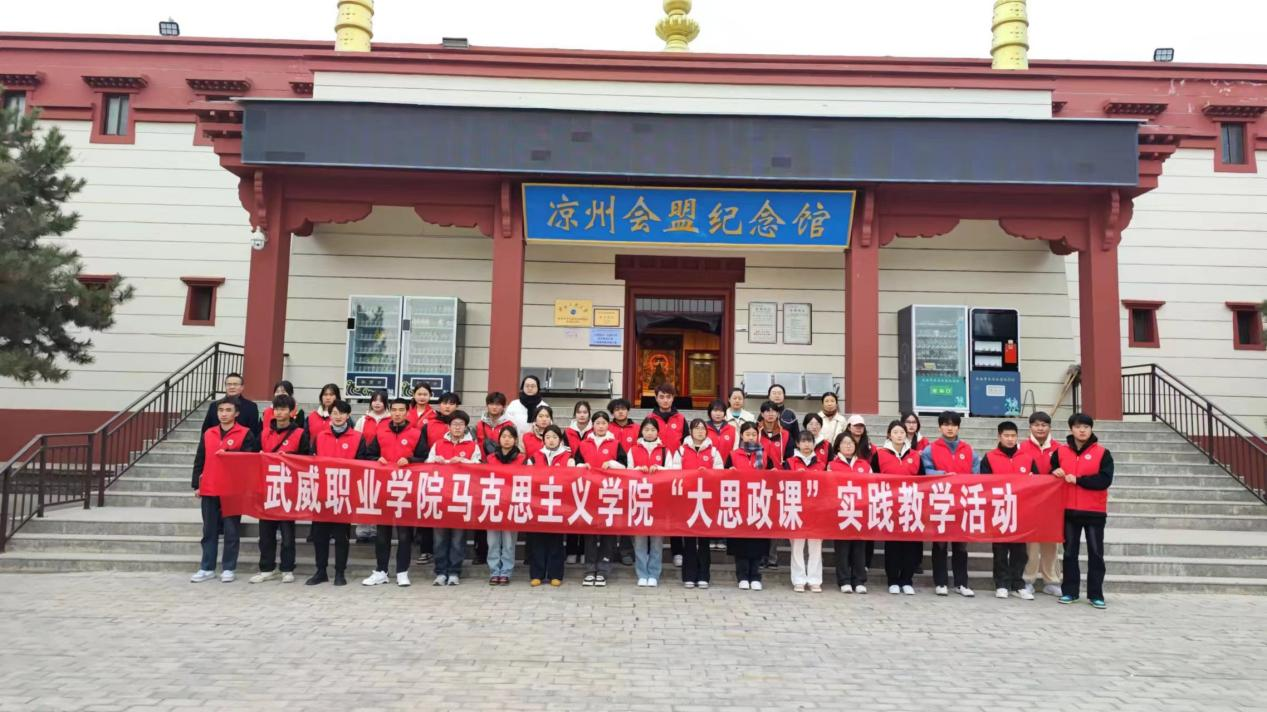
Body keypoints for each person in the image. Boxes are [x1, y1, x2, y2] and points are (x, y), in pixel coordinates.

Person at [360, 397, 430, 587]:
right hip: (384, 488)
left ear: (407, 412)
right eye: (394, 410)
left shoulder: (415, 433)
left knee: (405, 534)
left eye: (401, 410)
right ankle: (381, 571)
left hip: (406, 489)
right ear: (390, 412)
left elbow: (425, 457)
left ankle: (402, 572)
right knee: (382, 533)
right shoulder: (381, 432)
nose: (397, 413)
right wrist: (377, 459)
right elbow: (369, 454)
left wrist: (410, 460)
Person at [190, 397, 260, 583]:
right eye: (221, 410)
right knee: (209, 530)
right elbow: (200, 459)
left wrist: (229, 455)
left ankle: (229, 567)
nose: (224, 414)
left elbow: (249, 460)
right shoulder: (209, 433)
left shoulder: (245, 433)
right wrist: (197, 484)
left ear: (236, 413)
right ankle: (207, 567)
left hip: (232, 489)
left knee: (231, 530)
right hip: (210, 487)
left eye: (228, 410)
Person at [1052, 412, 1114, 610]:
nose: (1082, 430)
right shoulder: (1060, 452)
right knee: (1070, 553)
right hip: (1069, 511)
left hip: (1094, 512)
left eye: (1086, 427)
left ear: (1091, 429)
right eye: (1078, 427)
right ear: (1071, 429)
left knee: (1096, 553)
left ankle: (1096, 594)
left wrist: (1078, 480)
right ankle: (1070, 592)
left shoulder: (1103, 453)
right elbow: (1050, 474)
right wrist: (1054, 471)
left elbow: (1104, 480)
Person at [249, 393, 310, 585]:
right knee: (265, 533)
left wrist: (291, 458)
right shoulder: (264, 433)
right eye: (276, 409)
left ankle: (287, 568)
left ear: (292, 412)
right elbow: (252, 456)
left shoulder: (300, 433)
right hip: (267, 489)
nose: (279, 412)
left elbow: (307, 460)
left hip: (289, 490)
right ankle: (267, 568)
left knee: (287, 534)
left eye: (283, 409)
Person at [922, 410, 979, 598]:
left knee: (961, 545)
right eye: (946, 424)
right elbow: (925, 471)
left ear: (958, 427)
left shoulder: (968, 450)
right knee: (940, 544)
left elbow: (977, 475)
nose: (950, 428)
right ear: (940, 427)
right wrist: (944, 476)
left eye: (953, 424)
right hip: (940, 503)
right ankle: (941, 582)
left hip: (963, 504)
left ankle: (961, 583)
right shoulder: (930, 449)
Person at [307, 400, 364, 586]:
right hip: (322, 492)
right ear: (329, 415)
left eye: (341, 413)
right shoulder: (320, 436)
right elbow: (311, 461)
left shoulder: (358, 437)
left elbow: (362, 464)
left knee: (341, 536)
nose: (338, 417)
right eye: (334, 413)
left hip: (344, 494)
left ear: (348, 415)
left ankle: (340, 572)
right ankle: (320, 571)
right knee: (320, 536)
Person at [980, 420, 1037, 600]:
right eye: (1006, 435)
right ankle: (1001, 584)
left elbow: (1037, 483)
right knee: (1000, 550)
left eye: (1013, 436)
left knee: (1020, 551)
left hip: (1021, 510)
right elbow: (984, 484)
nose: (1010, 439)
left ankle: (1018, 584)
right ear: (999, 436)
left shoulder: (1027, 458)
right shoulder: (989, 458)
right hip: (999, 510)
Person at [427, 409, 480, 587]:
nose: (457, 427)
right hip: (440, 497)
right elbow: (426, 465)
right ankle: (440, 572)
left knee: (458, 538)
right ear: (448, 426)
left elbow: (480, 467)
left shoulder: (472, 446)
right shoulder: (438, 444)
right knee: (439, 538)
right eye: (454, 424)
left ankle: (454, 572)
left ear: (466, 427)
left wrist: (465, 462)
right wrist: (436, 461)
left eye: (461, 424)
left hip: (461, 498)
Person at [872, 420, 922, 596]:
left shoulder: (915, 455)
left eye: (902, 432)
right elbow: (873, 478)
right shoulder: (879, 454)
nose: (899, 435)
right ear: (889, 435)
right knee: (892, 545)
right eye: (895, 432)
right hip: (889, 505)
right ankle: (893, 580)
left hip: (910, 504)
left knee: (910, 545)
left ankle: (907, 580)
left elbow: (923, 479)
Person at [576, 411, 625, 587]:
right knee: (589, 533)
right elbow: (574, 465)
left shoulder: (616, 443)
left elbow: (625, 466)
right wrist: (583, 465)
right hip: (589, 494)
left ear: (608, 425)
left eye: (604, 423)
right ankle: (590, 569)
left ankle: (603, 570)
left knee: (608, 533)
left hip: (609, 494)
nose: (601, 426)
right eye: (597, 423)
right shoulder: (584, 444)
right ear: (593, 425)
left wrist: (611, 463)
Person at [1019, 411, 1062, 596]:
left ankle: (1051, 581)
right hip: (1030, 503)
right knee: (1031, 543)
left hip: (1053, 503)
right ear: (1030, 427)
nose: (1040, 428)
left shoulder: (1060, 448)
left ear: (1049, 427)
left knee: (1051, 542)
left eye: (1044, 425)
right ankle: (1028, 579)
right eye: (1036, 425)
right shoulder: (1021, 447)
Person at [677, 418, 723, 589]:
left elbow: (720, 472)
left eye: (703, 428)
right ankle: (688, 575)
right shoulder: (681, 450)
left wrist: (708, 474)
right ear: (690, 431)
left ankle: (704, 575)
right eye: (696, 428)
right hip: (686, 499)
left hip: (706, 499)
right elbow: (674, 472)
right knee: (688, 539)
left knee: (703, 539)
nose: (700, 431)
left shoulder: (713, 451)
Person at [727, 422, 773, 590]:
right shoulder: (733, 455)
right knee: (741, 542)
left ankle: (755, 575)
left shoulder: (764, 455)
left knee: (757, 542)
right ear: (741, 436)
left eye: (754, 434)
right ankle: (742, 576)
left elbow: (774, 476)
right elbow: (723, 477)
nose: (751, 437)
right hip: (739, 503)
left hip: (759, 502)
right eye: (748, 434)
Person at [527, 425, 573, 587]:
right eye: (548, 437)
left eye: (554, 437)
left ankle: (555, 574)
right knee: (537, 540)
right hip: (538, 503)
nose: (551, 440)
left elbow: (572, 478)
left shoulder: (568, 457)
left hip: (559, 504)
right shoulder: (535, 457)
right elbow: (526, 476)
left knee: (556, 541)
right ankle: (537, 574)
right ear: (543, 439)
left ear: (560, 440)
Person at [647, 384, 687, 567]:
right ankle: (649, 550)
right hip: (654, 472)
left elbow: (686, 443)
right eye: (662, 396)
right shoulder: (650, 418)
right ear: (656, 398)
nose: (665, 400)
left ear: (673, 398)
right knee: (653, 511)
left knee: (675, 512)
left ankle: (677, 551)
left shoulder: (681, 419)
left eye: (668, 397)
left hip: (675, 472)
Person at [626, 418, 668, 587]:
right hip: (638, 499)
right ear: (641, 431)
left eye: (652, 430)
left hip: (659, 500)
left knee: (657, 540)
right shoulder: (633, 449)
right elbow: (628, 471)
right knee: (640, 540)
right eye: (646, 429)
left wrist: (660, 469)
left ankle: (654, 573)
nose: (649, 433)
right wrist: (638, 470)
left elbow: (673, 470)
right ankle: (642, 573)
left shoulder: (665, 450)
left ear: (657, 431)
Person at [828, 432, 871, 593]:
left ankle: (859, 580)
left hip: (860, 510)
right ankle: (844, 580)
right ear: (838, 446)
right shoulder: (832, 465)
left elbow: (872, 485)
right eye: (845, 443)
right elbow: (829, 487)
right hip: (841, 510)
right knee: (842, 548)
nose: (848, 445)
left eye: (851, 443)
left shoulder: (864, 465)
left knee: (859, 547)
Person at [486, 427, 527, 585]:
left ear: (515, 440)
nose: (507, 439)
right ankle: (494, 571)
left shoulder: (522, 458)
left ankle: (506, 571)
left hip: (512, 503)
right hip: (493, 503)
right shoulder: (490, 458)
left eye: (510, 436)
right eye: (504, 436)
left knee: (509, 542)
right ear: (499, 439)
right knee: (492, 541)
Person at [785, 431, 825, 593]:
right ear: (797, 444)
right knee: (797, 545)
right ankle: (799, 579)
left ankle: (815, 579)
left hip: (816, 509)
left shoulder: (821, 464)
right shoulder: (790, 462)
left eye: (809, 441)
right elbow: (783, 483)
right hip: (796, 508)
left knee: (816, 545)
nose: (806, 444)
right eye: (803, 441)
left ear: (814, 443)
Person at [352, 390, 390, 544]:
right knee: (363, 496)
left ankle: (375, 531)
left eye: (381, 400)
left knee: (378, 497)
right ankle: (362, 531)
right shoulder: (363, 420)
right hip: (365, 462)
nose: (377, 403)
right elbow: (355, 439)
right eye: (374, 400)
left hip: (384, 464)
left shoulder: (390, 419)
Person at [607, 397, 639, 567]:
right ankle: (610, 550)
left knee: (627, 514)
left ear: (628, 410)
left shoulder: (637, 429)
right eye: (616, 409)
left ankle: (626, 551)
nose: (620, 412)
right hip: (610, 479)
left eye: (623, 409)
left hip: (631, 478)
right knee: (611, 514)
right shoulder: (607, 427)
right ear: (612, 413)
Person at [563, 401, 593, 564]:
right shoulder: (567, 432)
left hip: (590, 478)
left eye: (585, 412)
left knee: (587, 514)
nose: (582, 415)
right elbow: (565, 452)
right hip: (572, 477)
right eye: (579, 412)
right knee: (573, 513)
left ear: (589, 414)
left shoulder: (595, 430)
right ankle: (572, 550)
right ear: (575, 414)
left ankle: (584, 551)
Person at [199, 372, 260, 437]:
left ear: (242, 387)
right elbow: (205, 430)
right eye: (229, 384)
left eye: (235, 384)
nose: (232, 387)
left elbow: (253, 431)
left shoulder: (251, 407)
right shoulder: (214, 406)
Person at [475, 392, 515, 457]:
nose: (494, 407)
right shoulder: (479, 424)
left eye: (498, 404)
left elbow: (515, 446)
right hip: (481, 461)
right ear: (487, 405)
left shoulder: (510, 425)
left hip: (502, 461)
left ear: (504, 406)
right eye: (491, 404)